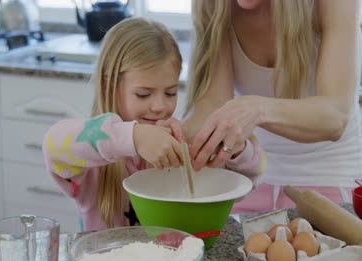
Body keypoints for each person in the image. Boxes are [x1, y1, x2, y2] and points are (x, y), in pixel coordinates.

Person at [42, 17, 266, 231]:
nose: (159, 106)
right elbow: (53, 144)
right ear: (109, 84)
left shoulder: (181, 145)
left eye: (170, 92)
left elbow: (250, 179)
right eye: (143, 94)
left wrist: (237, 150)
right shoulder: (94, 158)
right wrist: (134, 137)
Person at [183, 0, 362, 213]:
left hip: (328, 176)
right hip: (251, 178)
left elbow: (334, 117)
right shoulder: (217, 6)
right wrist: (176, 136)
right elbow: (212, 107)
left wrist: (257, 109)